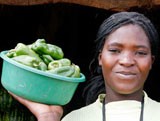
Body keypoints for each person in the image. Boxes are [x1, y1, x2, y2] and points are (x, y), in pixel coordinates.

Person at [10, 11, 160, 121]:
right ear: (101, 58)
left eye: (140, 53)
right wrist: (48, 117)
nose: (127, 61)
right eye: (115, 51)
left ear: (151, 61)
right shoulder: (75, 119)